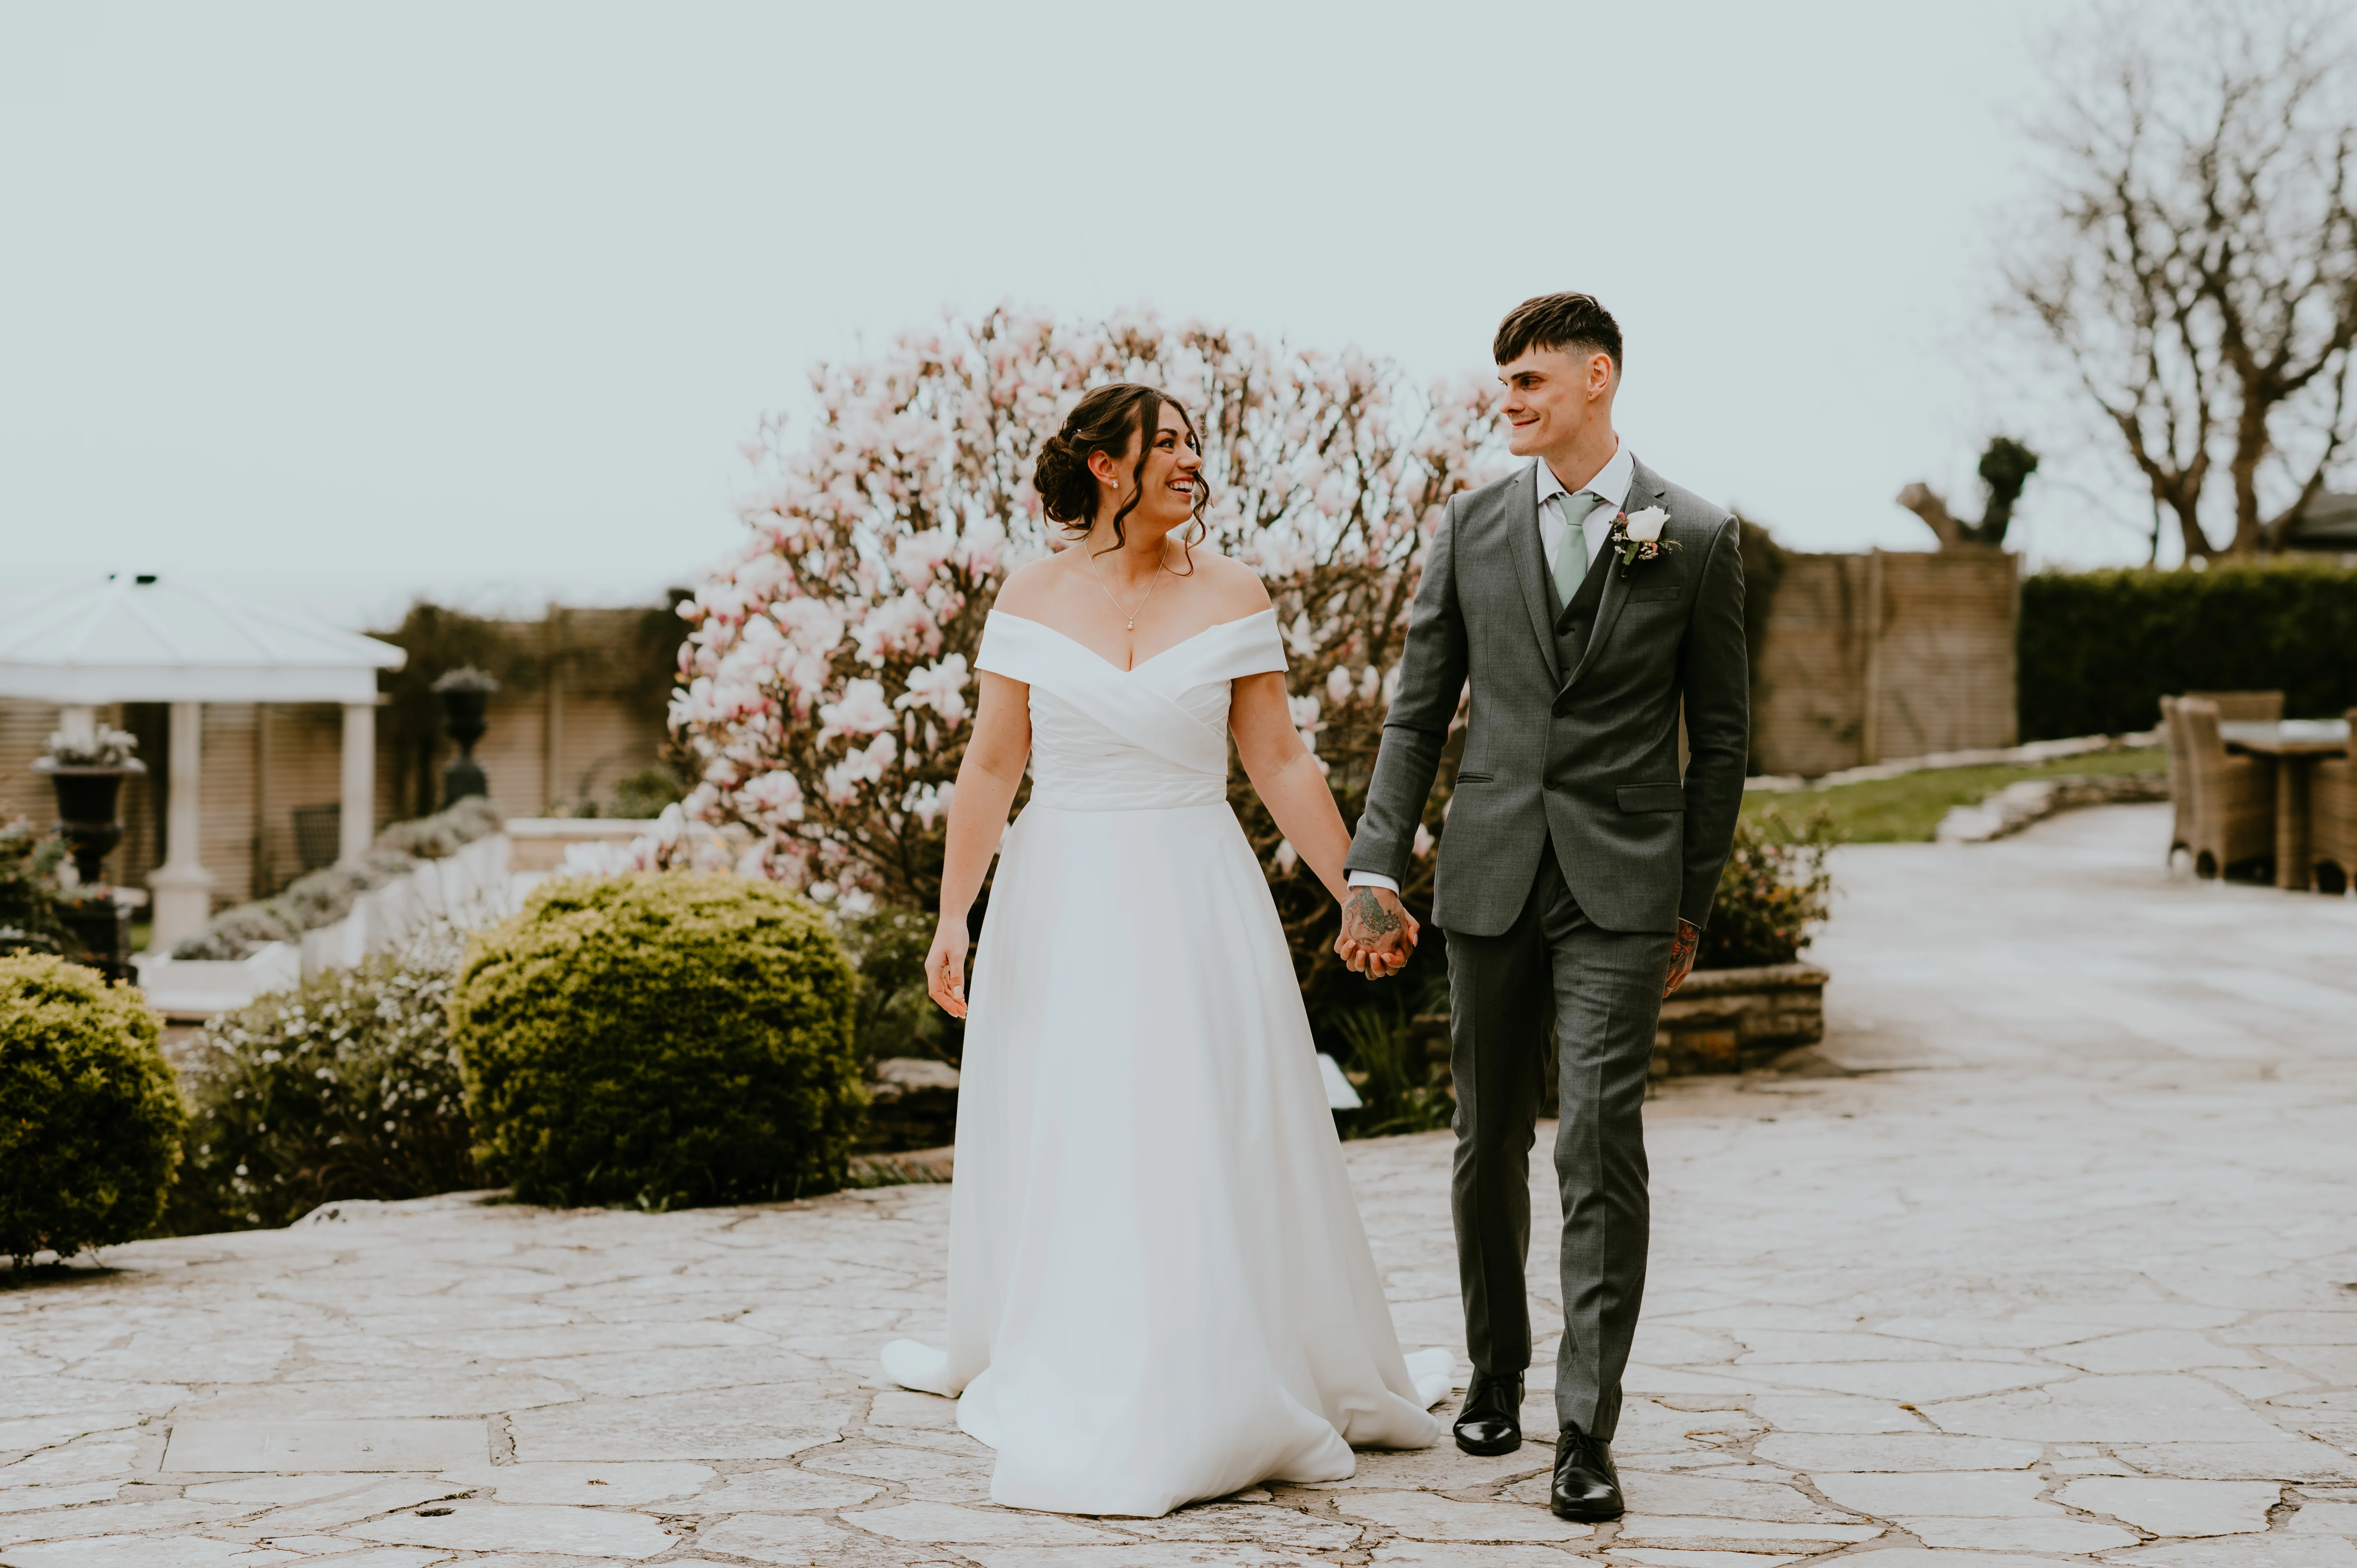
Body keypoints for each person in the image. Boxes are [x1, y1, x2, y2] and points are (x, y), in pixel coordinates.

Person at [880, 382, 1452, 1518]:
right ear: (1105, 465)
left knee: (1199, 1111)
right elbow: (992, 768)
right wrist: (954, 916)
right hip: (1062, 892)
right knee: (1078, 1113)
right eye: (1169, 445)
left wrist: (1362, 892)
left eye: (1196, 443)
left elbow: (1280, 762)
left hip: (1194, 889)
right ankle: (1077, 1335)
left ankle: (1218, 1343)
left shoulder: (1235, 591)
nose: (1192, 461)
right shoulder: (1032, 596)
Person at [1335, 293, 1748, 1522]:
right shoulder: (1466, 527)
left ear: (1596, 376)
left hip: (1623, 887)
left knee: (1597, 1142)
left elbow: (1719, 742)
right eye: (1502, 383)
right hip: (1490, 870)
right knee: (1484, 1141)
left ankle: (1585, 1427)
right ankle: (1494, 1369)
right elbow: (1418, 714)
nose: (1506, 401)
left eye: (1527, 381)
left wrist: (1690, 900)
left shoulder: (1698, 534)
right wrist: (1373, 866)